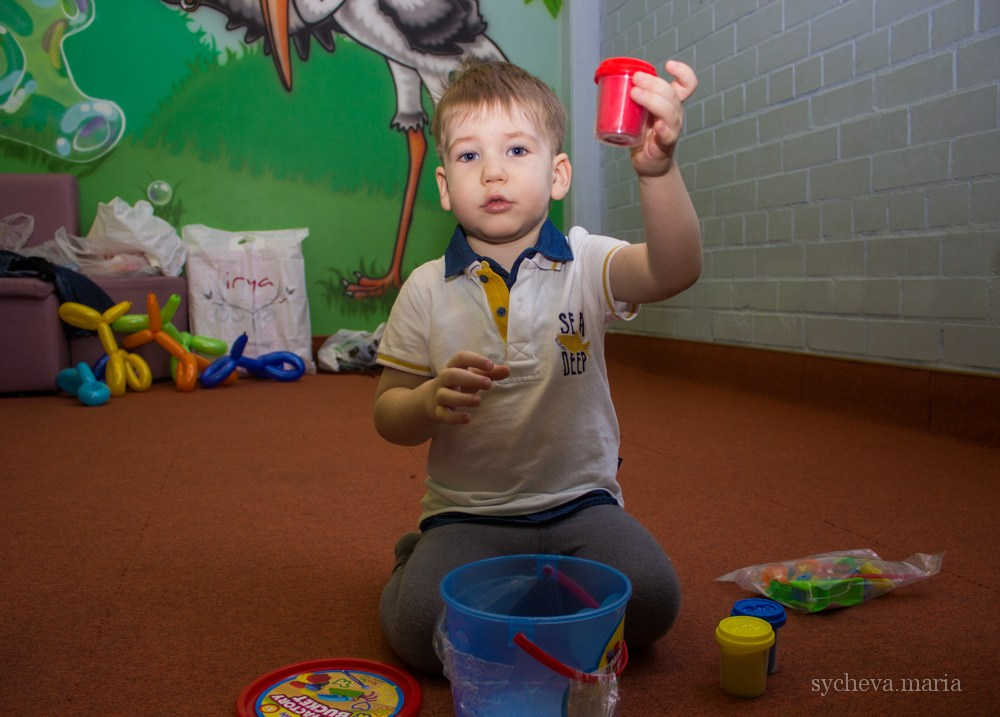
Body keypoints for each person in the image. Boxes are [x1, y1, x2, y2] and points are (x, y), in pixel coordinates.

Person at [374, 59, 701, 674]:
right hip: (468, 513)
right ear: (444, 187)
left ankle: (519, 596)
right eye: (470, 157)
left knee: (654, 603)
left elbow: (672, 270)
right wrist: (424, 402)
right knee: (420, 635)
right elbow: (389, 414)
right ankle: (414, 558)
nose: (493, 170)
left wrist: (659, 173)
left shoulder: (586, 260)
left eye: (516, 149)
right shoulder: (424, 288)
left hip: (582, 505)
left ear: (557, 175)